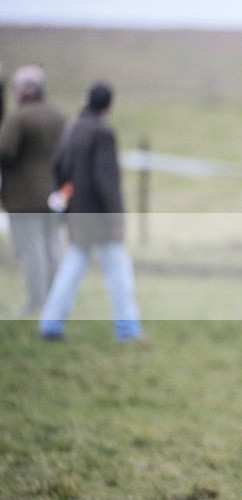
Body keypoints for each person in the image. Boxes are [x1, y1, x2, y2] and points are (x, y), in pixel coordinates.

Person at [39, 81, 142, 341]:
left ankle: (50, 324)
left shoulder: (73, 127)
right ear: (110, 104)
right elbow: (106, 181)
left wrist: (67, 199)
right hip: (100, 219)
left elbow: (58, 166)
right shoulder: (102, 132)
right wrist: (117, 219)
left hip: (77, 215)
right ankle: (128, 329)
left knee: (70, 270)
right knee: (119, 275)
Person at [0, 64, 67, 315]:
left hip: (24, 197)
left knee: (33, 252)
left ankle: (36, 301)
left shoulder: (18, 118)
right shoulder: (59, 115)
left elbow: (4, 151)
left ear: (25, 91)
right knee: (52, 248)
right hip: (54, 195)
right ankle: (55, 299)